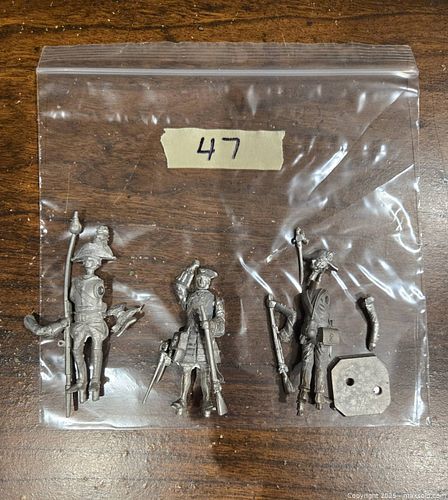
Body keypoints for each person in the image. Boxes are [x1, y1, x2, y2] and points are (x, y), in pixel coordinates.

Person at [170, 260, 225, 417]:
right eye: (199, 279)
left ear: (209, 282)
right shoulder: (190, 297)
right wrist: (190, 269)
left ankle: (207, 401)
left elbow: (221, 322)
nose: (202, 282)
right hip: (189, 339)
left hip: (205, 341)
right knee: (186, 370)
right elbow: (179, 286)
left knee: (205, 373)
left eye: (205, 279)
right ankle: (182, 399)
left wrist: (210, 324)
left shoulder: (216, 300)